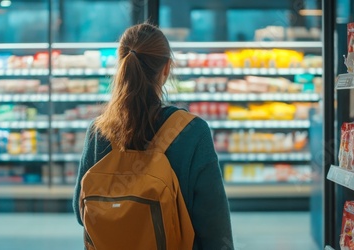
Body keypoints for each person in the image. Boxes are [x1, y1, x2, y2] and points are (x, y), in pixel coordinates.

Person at [73, 23, 234, 250]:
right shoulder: (192, 131)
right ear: (166, 68)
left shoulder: (99, 131)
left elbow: (81, 212)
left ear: (121, 65)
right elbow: (214, 226)